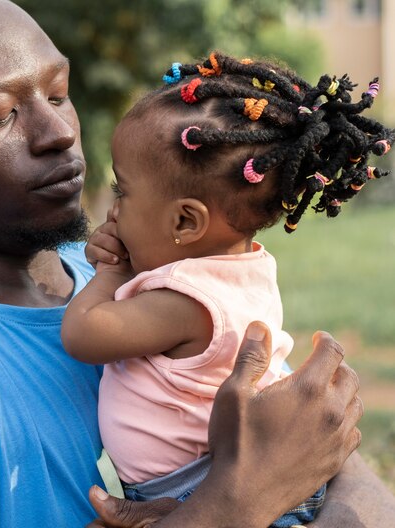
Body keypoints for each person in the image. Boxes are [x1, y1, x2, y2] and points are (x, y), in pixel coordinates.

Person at [0, 1, 392, 527]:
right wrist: (237, 502)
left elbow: (323, 454)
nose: (58, 133)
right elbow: (271, 475)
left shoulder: (140, 275)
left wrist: (287, 496)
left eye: (58, 94)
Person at [61, 53, 394, 527]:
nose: (112, 211)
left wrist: (110, 274)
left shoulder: (183, 302)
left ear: (184, 221)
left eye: (122, 192)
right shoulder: (239, 270)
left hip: (209, 491)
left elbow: (83, 335)